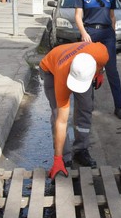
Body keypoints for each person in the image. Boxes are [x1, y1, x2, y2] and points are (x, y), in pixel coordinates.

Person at [40, 42, 109, 178]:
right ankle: (64, 158)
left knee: (86, 107)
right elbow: (62, 121)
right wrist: (57, 159)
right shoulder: (61, 76)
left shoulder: (101, 53)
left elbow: (102, 64)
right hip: (51, 69)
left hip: (82, 70)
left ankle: (80, 149)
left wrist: (100, 73)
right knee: (58, 115)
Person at [75, 0, 121, 119]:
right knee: (88, 70)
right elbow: (78, 16)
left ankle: (119, 107)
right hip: (90, 33)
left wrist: (113, 34)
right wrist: (84, 33)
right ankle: (88, 105)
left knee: (112, 71)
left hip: (107, 34)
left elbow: (112, 17)